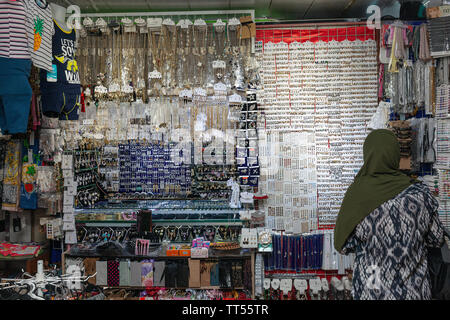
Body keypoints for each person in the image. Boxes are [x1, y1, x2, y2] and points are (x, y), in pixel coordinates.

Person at [334, 129, 445, 300]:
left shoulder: (358, 194)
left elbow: (345, 245)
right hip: (413, 289)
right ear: (395, 155)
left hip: (372, 286)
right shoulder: (420, 193)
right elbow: (436, 239)